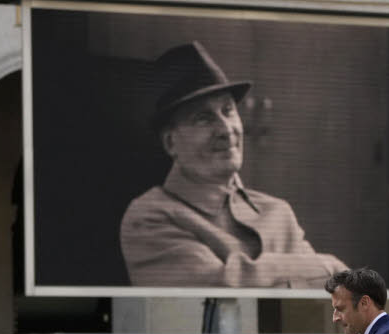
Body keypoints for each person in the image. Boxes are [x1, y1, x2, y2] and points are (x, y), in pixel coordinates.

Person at [120, 41, 346, 288]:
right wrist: (324, 266)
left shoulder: (278, 212)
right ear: (171, 142)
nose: (226, 130)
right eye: (204, 118)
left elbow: (332, 299)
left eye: (228, 111)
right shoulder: (149, 216)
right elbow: (217, 292)